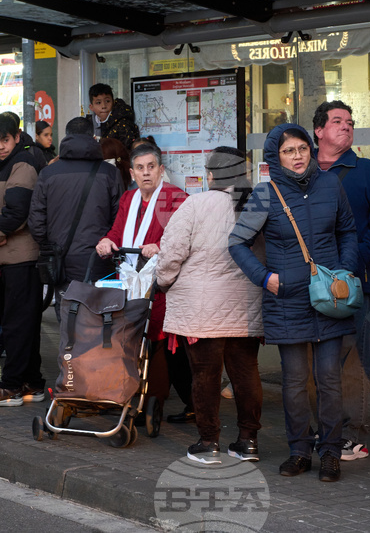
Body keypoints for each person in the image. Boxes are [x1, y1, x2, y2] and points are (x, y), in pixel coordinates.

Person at [229, 123, 359, 483]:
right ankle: (299, 451)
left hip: (330, 297)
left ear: (311, 149)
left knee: (330, 380)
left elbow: (347, 230)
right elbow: (237, 243)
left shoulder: (331, 183)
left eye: (302, 148)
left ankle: (330, 452)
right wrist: (265, 278)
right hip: (286, 299)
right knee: (295, 382)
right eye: (289, 151)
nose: (298, 156)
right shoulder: (264, 193)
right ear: (276, 156)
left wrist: (345, 270)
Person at [157, 147, 264, 465]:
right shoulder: (255, 205)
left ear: (212, 176)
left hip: (203, 310)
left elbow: (171, 252)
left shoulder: (196, 204)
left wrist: (163, 282)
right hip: (245, 306)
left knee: (205, 375)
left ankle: (209, 442)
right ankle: (248, 442)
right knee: (246, 374)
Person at [313, 100, 370, 462]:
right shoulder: (300, 171)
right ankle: (320, 430)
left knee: (349, 363)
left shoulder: (368, 172)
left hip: (351, 285)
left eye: (349, 122)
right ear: (319, 131)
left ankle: (350, 436)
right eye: (337, 121)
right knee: (310, 363)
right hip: (305, 285)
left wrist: (351, 262)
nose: (346, 126)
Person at [96, 142, 189, 426]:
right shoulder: (128, 199)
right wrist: (107, 240)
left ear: (161, 170)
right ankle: (130, 394)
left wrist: (160, 245)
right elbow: (117, 229)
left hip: (163, 280)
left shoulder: (175, 197)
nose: (146, 173)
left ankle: (153, 400)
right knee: (132, 336)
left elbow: (185, 236)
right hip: (130, 276)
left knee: (157, 338)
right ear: (132, 172)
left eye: (151, 167)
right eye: (140, 168)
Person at [0, 115, 47, 407]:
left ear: (17, 137)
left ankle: (12, 386)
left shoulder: (23, 163)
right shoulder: (1, 166)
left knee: (17, 324)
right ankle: (32, 383)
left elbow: (19, 213)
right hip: (10, 257)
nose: (1, 146)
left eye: (5, 140)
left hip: (22, 255)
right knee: (22, 322)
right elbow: (10, 204)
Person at [28, 117, 122, 286]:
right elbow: (120, 220)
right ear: (93, 138)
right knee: (100, 309)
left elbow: (36, 221)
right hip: (99, 260)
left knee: (67, 310)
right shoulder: (110, 173)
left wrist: (50, 247)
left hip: (60, 260)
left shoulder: (48, 174)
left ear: (66, 137)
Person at [88, 83, 139, 150]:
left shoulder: (123, 124)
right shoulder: (87, 124)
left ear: (113, 102)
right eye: (98, 103)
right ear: (91, 107)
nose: (104, 106)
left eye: (107, 101)